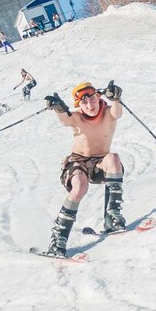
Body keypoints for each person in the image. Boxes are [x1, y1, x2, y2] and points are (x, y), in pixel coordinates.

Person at [42, 81, 126, 257]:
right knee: (80, 186)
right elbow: (65, 119)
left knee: (114, 159)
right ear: (79, 105)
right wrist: (58, 107)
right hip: (77, 162)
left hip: (99, 162)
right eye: (84, 103)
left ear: (98, 96)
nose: (90, 106)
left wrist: (116, 98)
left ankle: (113, 219)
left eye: (93, 100)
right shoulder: (77, 116)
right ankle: (58, 239)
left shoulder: (107, 112)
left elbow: (117, 112)